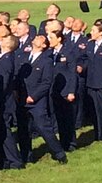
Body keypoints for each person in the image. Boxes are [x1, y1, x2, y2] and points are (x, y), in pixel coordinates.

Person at [17, 35, 67, 165]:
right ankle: (26, 155)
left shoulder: (46, 61)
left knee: (43, 127)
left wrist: (34, 96)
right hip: (22, 99)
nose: (36, 38)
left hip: (36, 101)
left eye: (40, 38)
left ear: (44, 45)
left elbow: (46, 82)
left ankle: (59, 153)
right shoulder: (24, 57)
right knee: (23, 129)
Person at [0, 34, 22, 170]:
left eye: (4, 39)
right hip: (0, 101)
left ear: (8, 44)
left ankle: (15, 160)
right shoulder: (1, 58)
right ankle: (4, 160)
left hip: (3, 102)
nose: (0, 40)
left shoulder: (6, 61)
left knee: (5, 132)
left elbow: (2, 84)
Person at [47, 28, 77, 151]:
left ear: (59, 39)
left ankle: (71, 142)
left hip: (65, 90)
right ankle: (63, 142)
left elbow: (72, 73)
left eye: (52, 38)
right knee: (58, 118)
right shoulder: (50, 53)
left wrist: (71, 91)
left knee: (67, 118)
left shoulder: (68, 52)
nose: (50, 41)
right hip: (55, 90)